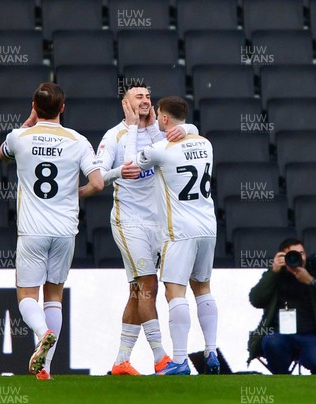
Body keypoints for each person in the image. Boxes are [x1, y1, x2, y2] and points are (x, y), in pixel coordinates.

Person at [0, 82, 104, 380]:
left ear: (34, 105)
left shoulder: (19, 137)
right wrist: (75, 194)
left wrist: (28, 122)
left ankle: (41, 331)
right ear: (63, 108)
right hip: (65, 230)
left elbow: (2, 154)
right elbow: (97, 183)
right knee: (54, 295)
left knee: (26, 294)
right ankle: (45, 368)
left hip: (33, 230)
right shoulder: (78, 141)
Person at [96, 84, 198, 376]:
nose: (145, 100)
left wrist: (186, 126)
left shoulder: (162, 133)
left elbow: (192, 134)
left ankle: (121, 361)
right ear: (125, 104)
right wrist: (119, 172)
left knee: (136, 291)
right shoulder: (114, 136)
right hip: (129, 221)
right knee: (149, 285)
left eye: (148, 97)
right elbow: (97, 175)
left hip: (160, 222)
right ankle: (161, 357)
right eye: (138, 96)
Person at [133, 96, 219, 375]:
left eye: (158, 114)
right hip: (208, 227)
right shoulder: (205, 144)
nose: (156, 118)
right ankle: (211, 351)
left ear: (165, 119)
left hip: (179, 231)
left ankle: (180, 360)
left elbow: (134, 166)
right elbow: (192, 133)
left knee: (174, 291)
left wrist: (138, 126)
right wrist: (190, 128)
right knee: (203, 288)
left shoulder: (160, 150)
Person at [247, 238, 316, 374]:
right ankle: (281, 379)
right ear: (282, 257)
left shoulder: (313, 273)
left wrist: (311, 281)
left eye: (301, 253)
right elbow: (256, 300)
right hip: (278, 334)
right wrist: (273, 271)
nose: (298, 258)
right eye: (293, 254)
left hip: (309, 336)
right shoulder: (274, 276)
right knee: (272, 343)